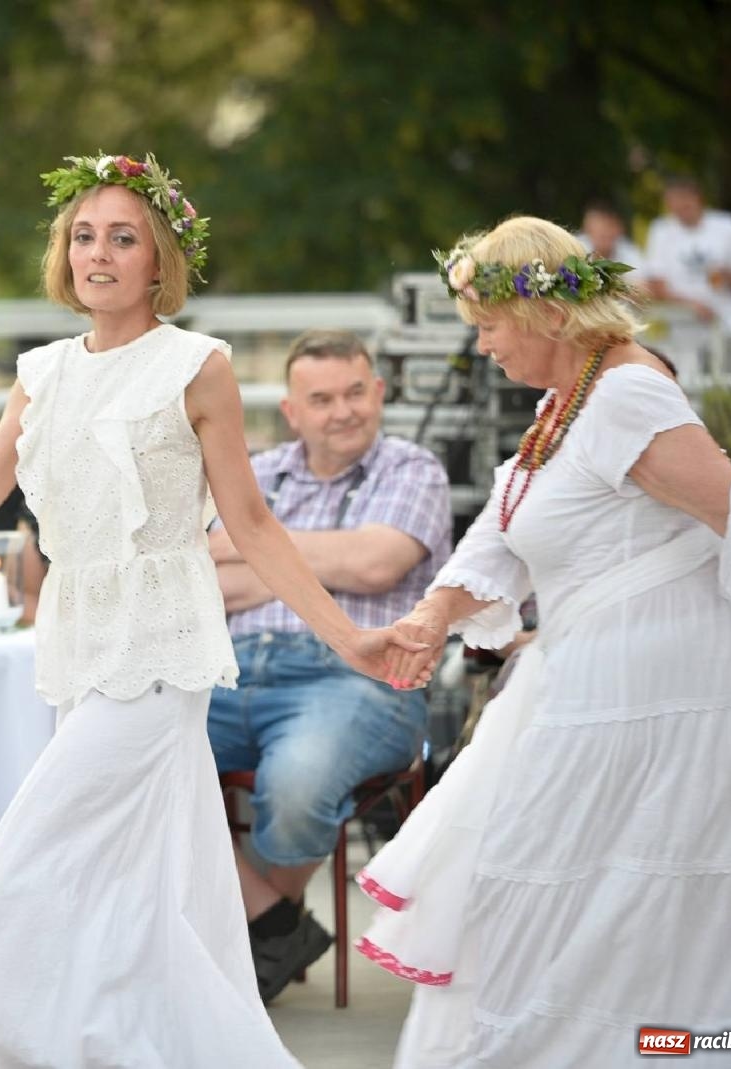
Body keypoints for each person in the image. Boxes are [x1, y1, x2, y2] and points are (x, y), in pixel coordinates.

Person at [0, 152, 427, 1067]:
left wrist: (352, 637)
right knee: (125, 887)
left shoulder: (194, 366)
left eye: (123, 237)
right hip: (80, 650)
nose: (99, 253)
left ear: (158, 259)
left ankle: (3, 1035)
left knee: (17, 875)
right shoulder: (40, 372)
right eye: (84, 236)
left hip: (160, 655)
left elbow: (252, 525)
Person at [360, 217, 731, 1067]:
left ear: (545, 316)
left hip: (665, 693)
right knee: (544, 891)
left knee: (619, 903)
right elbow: (501, 528)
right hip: (591, 681)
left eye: (488, 325)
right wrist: (430, 615)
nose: (481, 344)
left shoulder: (628, 394)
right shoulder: (562, 405)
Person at [206, 328, 452, 1001]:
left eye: (355, 393)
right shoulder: (252, 473)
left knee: (295, 783)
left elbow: (377, 564)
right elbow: (200, 580)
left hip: (355, 677)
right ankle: (273, 926)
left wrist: (258, 554)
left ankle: (243, 944)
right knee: (131, 758)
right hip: (225, 671)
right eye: (322, 399)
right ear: (291, 410)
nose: (343, 410)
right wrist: (321, 567)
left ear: (377, 392)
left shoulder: (413, 469)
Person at [643, 175, 731, 338]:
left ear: (699, 199)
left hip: (729, 327)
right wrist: (693, 306)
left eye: (686, 203)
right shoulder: (661, 230)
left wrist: (727, 276)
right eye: (675, 205)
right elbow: (656, 286)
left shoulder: (728, 226)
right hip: (683, 331)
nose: (681, 209)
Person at [574, 199, 643, 272]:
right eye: (599, 227)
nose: (605, 232)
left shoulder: (628, 250)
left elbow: (644, 280)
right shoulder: (575, 248)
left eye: (610, 225)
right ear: (586, 228)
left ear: (620, 229)